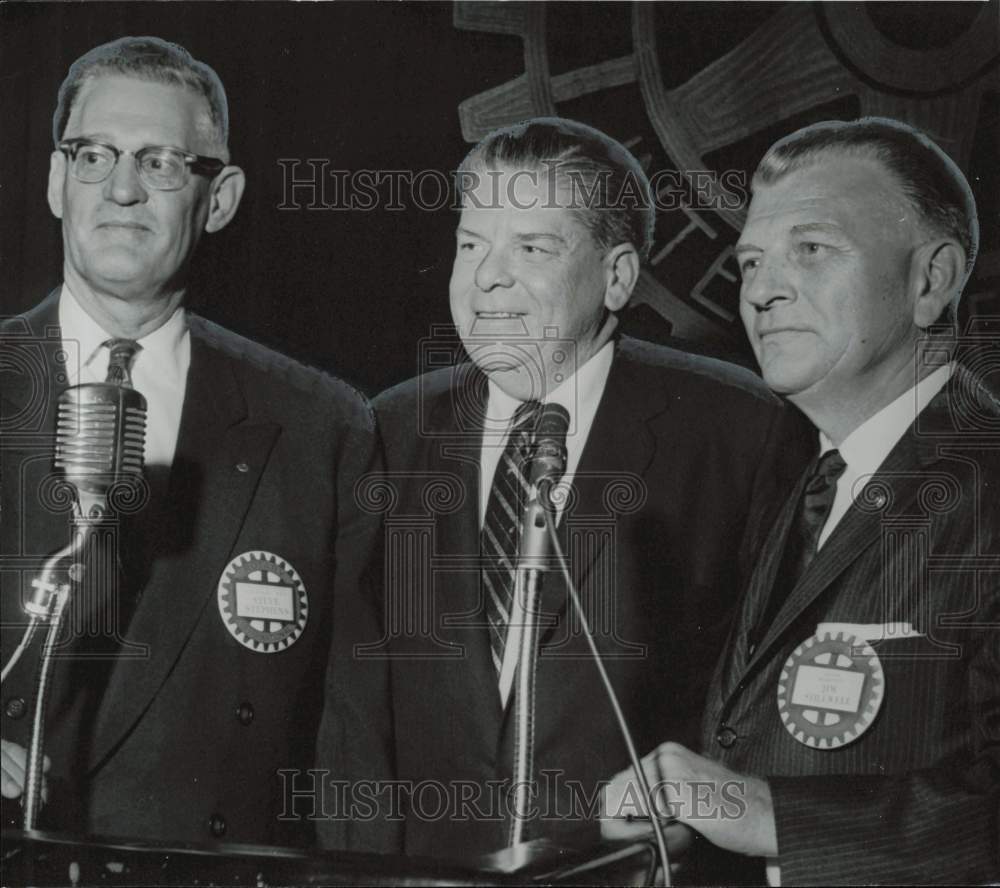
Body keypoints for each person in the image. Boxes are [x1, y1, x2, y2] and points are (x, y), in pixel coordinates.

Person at [363, 117, 811, 859]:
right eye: (471, 244)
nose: (487, 277)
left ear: (618, 276)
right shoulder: (386, 429)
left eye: (531, 248)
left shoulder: (740, 432)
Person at [0, 36, 383, 848]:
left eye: (163, 163)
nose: (123, 190)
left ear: (221, 197)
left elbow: (350, 749)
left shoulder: (322, 425)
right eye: (94, 156)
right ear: (55, 181)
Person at [605, 117, 999, 884]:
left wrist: (768, 816)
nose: (761, 291)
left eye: (811, 251)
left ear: (931, 281)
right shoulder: (804, 477)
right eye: (751, 262)